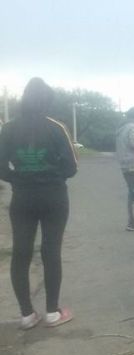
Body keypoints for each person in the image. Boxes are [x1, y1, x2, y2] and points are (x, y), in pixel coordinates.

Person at [0, 77, 77, 328]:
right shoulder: (56, 128)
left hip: (22, 197)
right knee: (50, 250)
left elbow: (1, 167)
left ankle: (26, 315)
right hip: (53, 197)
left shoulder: (8, 129)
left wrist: (19, 178)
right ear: (47, 101)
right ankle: (53, 313)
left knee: (21, 253)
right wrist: (51, 176)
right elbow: (71, 167)